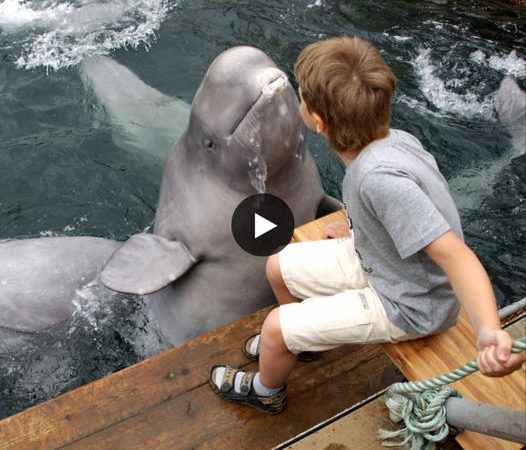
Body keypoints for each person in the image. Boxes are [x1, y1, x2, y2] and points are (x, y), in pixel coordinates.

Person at [208, 36, 526, 414]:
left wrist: (489, 329)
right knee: (277, 265)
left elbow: (455, 255)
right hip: (386, 262)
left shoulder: (379, 179)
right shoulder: (392, 140)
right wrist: (356, 225)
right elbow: (402, 207)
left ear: (317, 121)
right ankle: (303, 343)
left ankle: (265, 390)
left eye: (302, 97)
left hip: (410, 304)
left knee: (276, 326)